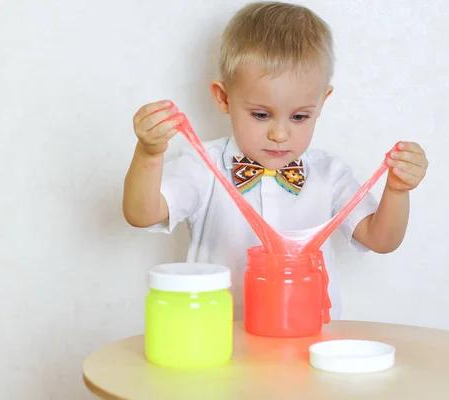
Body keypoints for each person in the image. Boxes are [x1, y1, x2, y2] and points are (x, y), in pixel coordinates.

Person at [122, 1, 428, 320]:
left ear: (322, 103)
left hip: (310, 345)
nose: (280, 134)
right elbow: (141, 214)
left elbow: (381, 240)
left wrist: (397, 190)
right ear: (223, 98)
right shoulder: (203, 168)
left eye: (299, 116)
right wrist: (149, 154)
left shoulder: (330, 175)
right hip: (221, 345)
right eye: (261, 115)